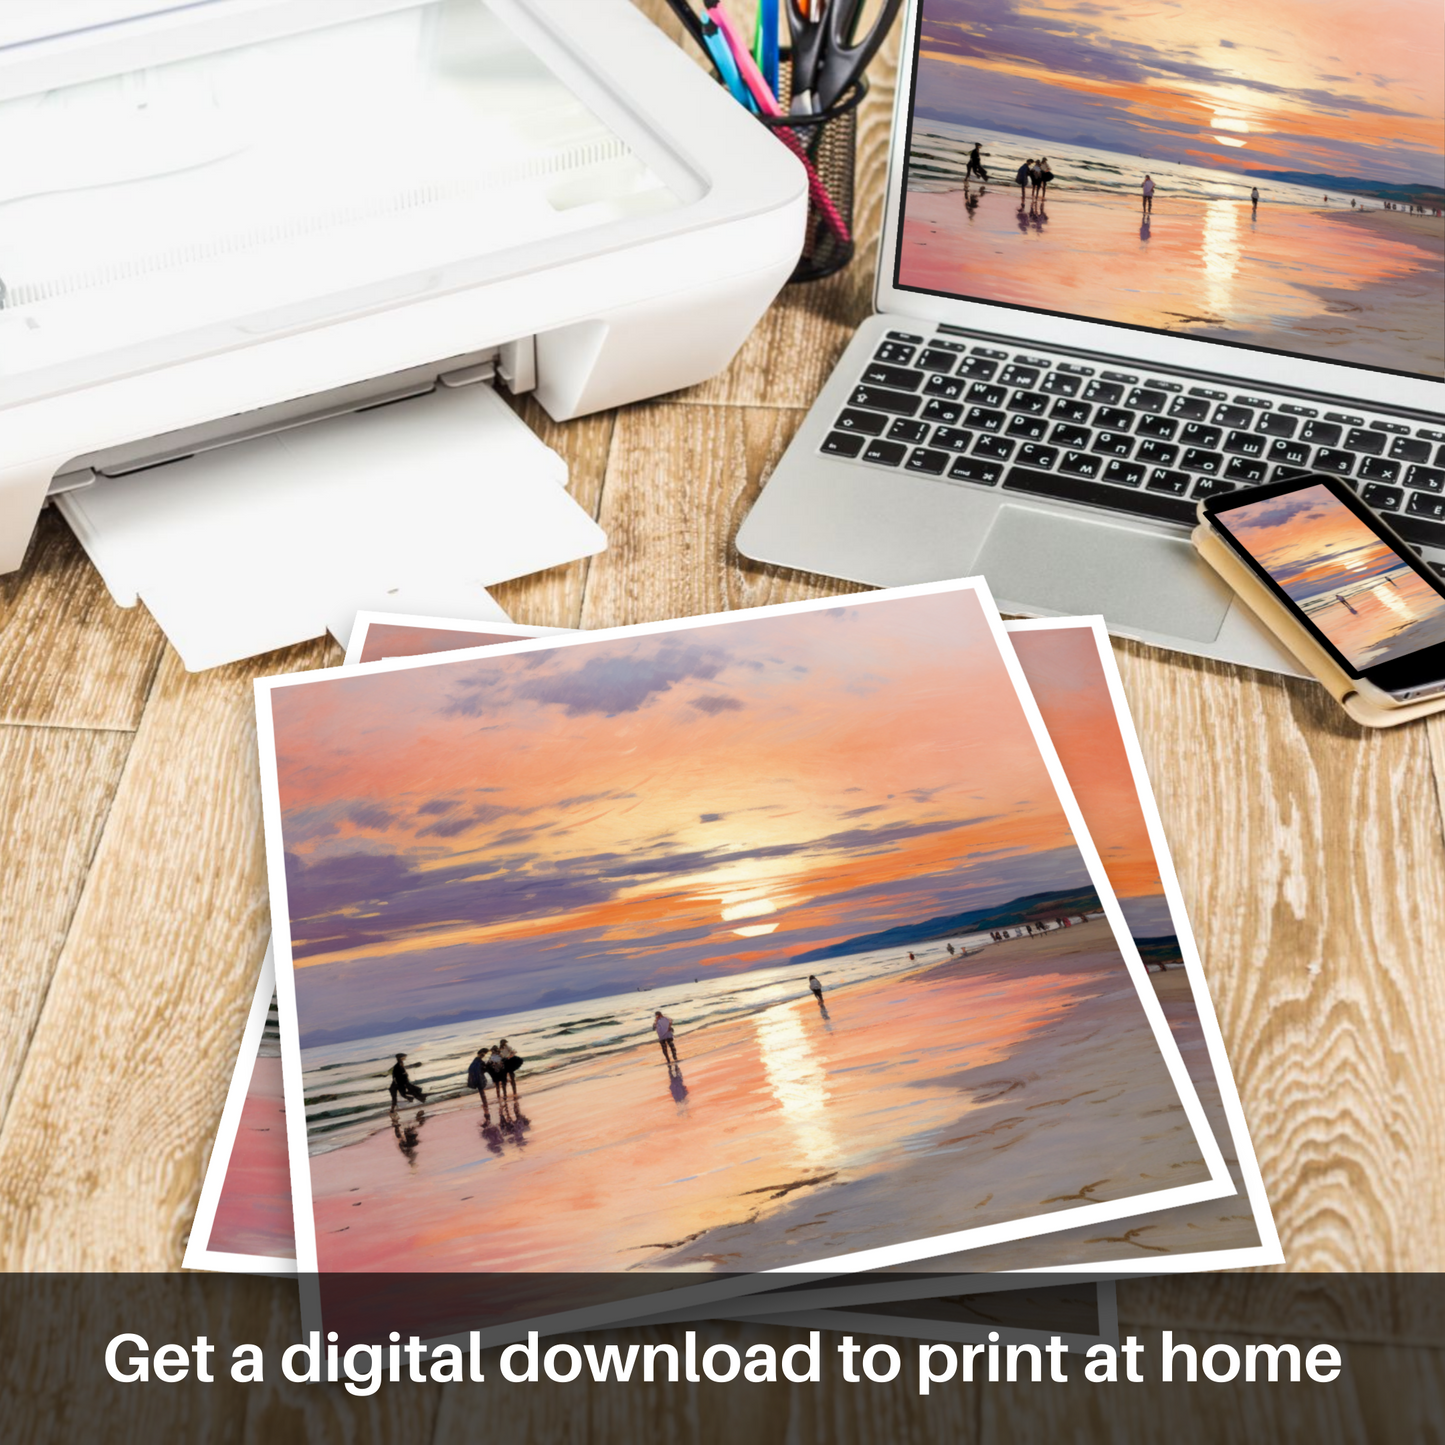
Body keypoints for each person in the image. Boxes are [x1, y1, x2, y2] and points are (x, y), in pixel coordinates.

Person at [466, 1048, 492, 1118]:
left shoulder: (476, 1060)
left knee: (480, 1089)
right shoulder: (479, 1061)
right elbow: (485, 1068)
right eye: (485, 1054)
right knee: (481, 1089)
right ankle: (485, 1103)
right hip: (477, 1074)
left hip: (474, 1073)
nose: (485, 1056)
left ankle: (484, 1103)